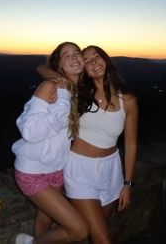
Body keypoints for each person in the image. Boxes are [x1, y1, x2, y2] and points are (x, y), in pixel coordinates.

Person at [39, 45, 138, 244]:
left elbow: (131, 144)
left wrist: (128, 184)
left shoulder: (127, 99)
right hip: (79, 170)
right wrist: (60, 79)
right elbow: (41, 68)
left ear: (106, 59)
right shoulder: (77, 92)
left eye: (97, 56)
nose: (93, 62)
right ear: (83, 69)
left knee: (98, 231)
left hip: (111, 172)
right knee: (103, 239)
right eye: (87, 60)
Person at [11, 42, 89, 244]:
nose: (73, 57)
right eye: (66, 55)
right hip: (32, 171)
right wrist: (62, 99)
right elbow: (30, 131)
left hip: (56, 170)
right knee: (79, 230)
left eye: (77, 53)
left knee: (45, 223)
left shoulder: (76, 91)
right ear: (59, 64)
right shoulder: (51, 87)